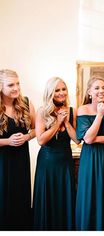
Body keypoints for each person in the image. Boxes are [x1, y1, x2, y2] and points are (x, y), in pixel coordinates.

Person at [33, 77, 78, 230]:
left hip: (65, 161)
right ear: (50, 93)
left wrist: (66, 122)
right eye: (57, 90)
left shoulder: (72, 111)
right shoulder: (42, 112)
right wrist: (57, 122)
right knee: (48, 196)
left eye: (63, 89)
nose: (61, 93)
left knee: (64, 197)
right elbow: (41, 140)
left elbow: (77, 139)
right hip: (47, 162)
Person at [75, 75, 104, 230]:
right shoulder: (82, 110)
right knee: (89, 193)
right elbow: (86, 138)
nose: (101, 91)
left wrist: (94, 138)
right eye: (97, 88)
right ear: (89, 92)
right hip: (89, 157)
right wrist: (99, 115)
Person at [0, 69, 35, 230]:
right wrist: (7, 141)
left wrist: (27, 137)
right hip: (2, 162)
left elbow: (36, 130)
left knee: (20, 198)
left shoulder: (26, 103)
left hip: (21, 160)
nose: (16, 88)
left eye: (18, 83)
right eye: (11, 85)